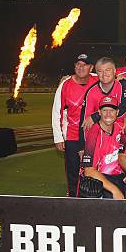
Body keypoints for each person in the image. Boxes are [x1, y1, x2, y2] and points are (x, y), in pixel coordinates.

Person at [51, 53, 97, 197]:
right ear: (74, 67)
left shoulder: (98, 79)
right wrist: (58, 137)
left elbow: (109, 73)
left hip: (93, 134)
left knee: (94, 168)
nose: (81, 67)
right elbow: (56, 111)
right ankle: (73, 195)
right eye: (78, 64)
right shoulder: (65, 84)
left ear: (91, 67)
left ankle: (93, 194)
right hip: (72, 135)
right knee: (73, 169)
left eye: (85, 65)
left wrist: (118, 77)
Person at [79, 57, 126, 148]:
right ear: (96, 73)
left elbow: (123, 109)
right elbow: (85, 121)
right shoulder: (91, 91)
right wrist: (83, 148)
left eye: (108, 70)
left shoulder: (123, 85)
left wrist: (95, 116)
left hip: (122, 133)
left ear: (114, 71)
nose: (104, 74)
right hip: (101, 137)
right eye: (100, 71)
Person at [80, 96, 125, 199]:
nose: (108, 114)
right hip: (100, 177)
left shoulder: (122, 127)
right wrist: (114, 190)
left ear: (117, 112)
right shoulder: (94, 133)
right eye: (105, 110)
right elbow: (89, 170)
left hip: (120, 176)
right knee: (91, 189)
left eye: (112, 110)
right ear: (99, 112)